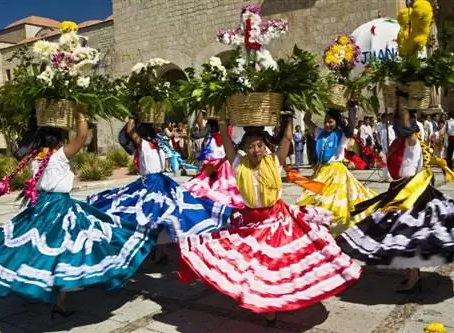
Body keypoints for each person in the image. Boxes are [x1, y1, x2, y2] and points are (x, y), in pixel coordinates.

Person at [0, 108, 157, 317]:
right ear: (59, 140)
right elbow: (81, 136)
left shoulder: (34, 157)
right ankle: (58, 299)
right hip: (59, 207)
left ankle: (54, 298)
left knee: (40, 248)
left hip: (40, 205)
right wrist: (80, 111)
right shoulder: (58, 156)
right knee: (70, 246)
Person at [179, 110, 361, 326]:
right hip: (250, 223)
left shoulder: (274, 161)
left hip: (276, 221)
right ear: (244, 149)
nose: (255, 150)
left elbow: (285, 138)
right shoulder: (238, 164)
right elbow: (226, 139)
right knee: (252, 267)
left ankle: (272, 309)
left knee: (276, 265)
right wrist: (223, 120)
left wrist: (289, 116)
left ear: (265, 146)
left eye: (259, 145)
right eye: (250, 146)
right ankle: (264, 303)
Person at [337, 95, 454, 294]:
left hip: (412, 193)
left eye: (398, 123)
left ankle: (414, 277)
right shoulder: (398, 142)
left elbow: (408, 129)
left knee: (407, 234)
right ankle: (412, 275)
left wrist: (403, 102)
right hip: (400, 190)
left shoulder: (412, 141)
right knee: (404, 236)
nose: (394, 124)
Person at [87, 119, 231, 261]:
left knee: (158, 215)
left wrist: (135, 116)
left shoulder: (155, 145)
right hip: (153, 183)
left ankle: (156, 249)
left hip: (156, 183)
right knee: (160, 215)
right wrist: (136, 116)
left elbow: (134, 130)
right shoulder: (147, 144)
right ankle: (155, 250)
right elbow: (131, 131)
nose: (156, 132)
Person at [298, 106, 376, 235]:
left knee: (333, 201)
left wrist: (353, 108)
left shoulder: (341, 136)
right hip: (321, 171)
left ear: (337, 122)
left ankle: (330, 227)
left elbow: (350, 129)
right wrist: (310, 103)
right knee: (311, 197)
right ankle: (317, 225)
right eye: (326, 121)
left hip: (336, 173)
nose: (327, 124)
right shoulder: (319, 133)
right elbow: (307, 120)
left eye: (330, 121)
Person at [182, 119, 244, 209]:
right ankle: (217, 187)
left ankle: (213, 187)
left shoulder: (211, 124)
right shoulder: (228, 125)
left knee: (211, 173)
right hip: (221, 150)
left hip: (216, 150)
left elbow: (199, 135)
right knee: (221, 173)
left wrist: (193, 131)